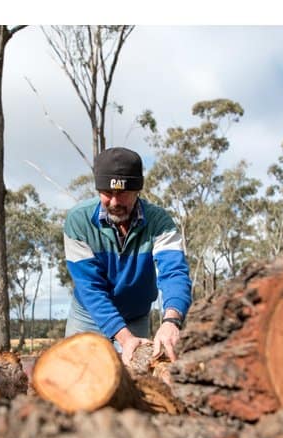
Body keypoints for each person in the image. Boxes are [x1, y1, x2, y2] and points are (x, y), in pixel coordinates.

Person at [64, 146, 192, 365]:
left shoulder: (160, 223)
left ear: (137, 190)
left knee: (136, 382)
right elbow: (90, 288)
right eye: (107, 193)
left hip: (135, 316)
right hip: (87, 316)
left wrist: (171, 321)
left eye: (122, 193)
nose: (114, 202)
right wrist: (123, 338)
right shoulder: (78, 221)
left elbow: (174, 273)